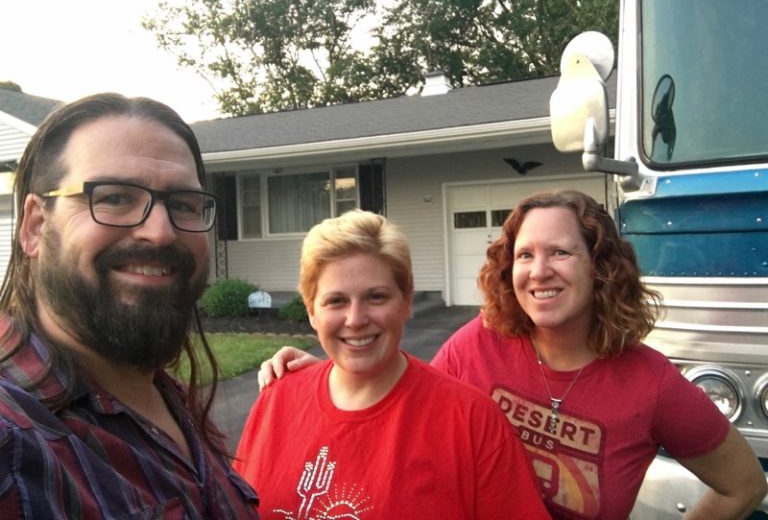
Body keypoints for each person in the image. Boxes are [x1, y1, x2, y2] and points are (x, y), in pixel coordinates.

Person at [259, 190, 767, 519]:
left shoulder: (648, 382)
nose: (539, 271)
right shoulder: (478, 344)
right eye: (525, 255)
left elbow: (744, 485)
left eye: (560, 252)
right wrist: (333, 377)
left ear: (601, 266)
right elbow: (410, 409)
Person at [0, 93, 260, 518]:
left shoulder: (164, 394)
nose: (160, 232)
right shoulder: (12, 444)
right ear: (35, 226)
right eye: (115, 198)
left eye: (183, 204)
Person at [234, 209, 550, 519]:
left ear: (407, 300)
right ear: (311, 311)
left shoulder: (472, 422)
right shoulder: (276, 400)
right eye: (336, 301)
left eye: (376, 297)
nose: (355, 319)